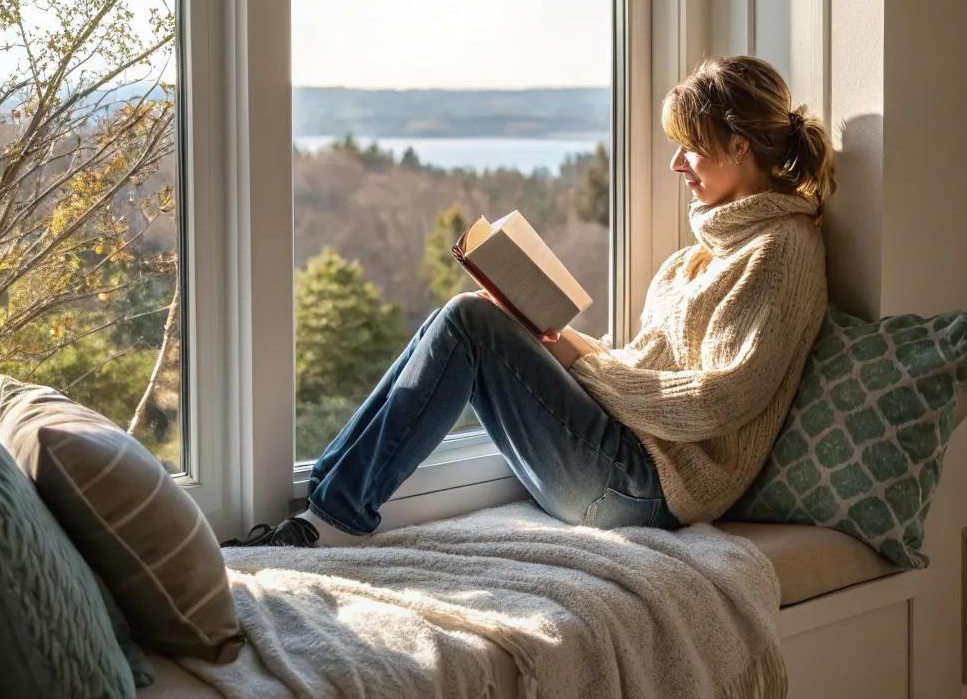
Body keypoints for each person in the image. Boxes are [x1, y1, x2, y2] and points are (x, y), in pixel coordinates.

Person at [291, 56, 834, 543]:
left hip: (648, 492)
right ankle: (322, 509)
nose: (675, 164)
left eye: (689, 146)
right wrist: (560, 340)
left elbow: (717, 402)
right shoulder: (697, 258)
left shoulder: (781, 251)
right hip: (624, 457)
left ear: (739, 145)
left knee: (467, 320)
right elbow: (646, 367)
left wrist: (583, 365)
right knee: (470, 315)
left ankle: (330, 520)